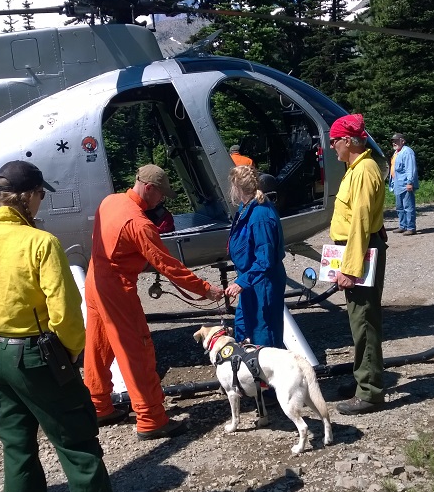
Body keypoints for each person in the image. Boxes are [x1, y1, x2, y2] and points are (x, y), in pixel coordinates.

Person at [0, 160, 142, 492]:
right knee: (76, 441)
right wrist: (70, 354)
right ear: (26, 198)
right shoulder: (42, 244)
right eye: (39, 195)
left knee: (17, 448)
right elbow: (67, 314)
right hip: (37, 356)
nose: (40, 202)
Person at [84, 164, 225, 439]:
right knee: (136, 349)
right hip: (116, 289)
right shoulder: (139, 223)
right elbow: (168, 265)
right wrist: (206, 289)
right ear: (149, 188)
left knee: (98, 346)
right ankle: (151, 419)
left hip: (94, 280)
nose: (162, 200)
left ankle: (99, 406)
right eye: (161, 195)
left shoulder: (109, 201)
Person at [327, 114, 389, 416]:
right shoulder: (357, 168)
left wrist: (351, 269)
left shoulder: (363, 171)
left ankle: (370, 392)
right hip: (356, 249)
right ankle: (363, 382)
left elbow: (361, 224)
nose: (331, 146)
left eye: (334, 140)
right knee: (359, 321)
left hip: (359, 251)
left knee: (364, 322)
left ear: (348, 141)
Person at [225, 165, 287, 347]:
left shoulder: (260, 215)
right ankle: (251, 372)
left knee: (264, 334)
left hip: (263, 283)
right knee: (244, 329)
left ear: (237, 187)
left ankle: (268, 373)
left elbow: (265, 259)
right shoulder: (246, 209)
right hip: (250, 281)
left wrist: (241, 283)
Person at [388, 132, 419, 235]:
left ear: (402, 140)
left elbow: (410, 168)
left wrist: (410, 182)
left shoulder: (407, 152)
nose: (394, 143)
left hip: (405, 184)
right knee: (399, 207)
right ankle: (402, 226)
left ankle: (411, 227)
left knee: (408, 207)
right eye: (393, 141)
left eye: (396, 141)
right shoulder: (396, 152)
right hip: (397, 184)